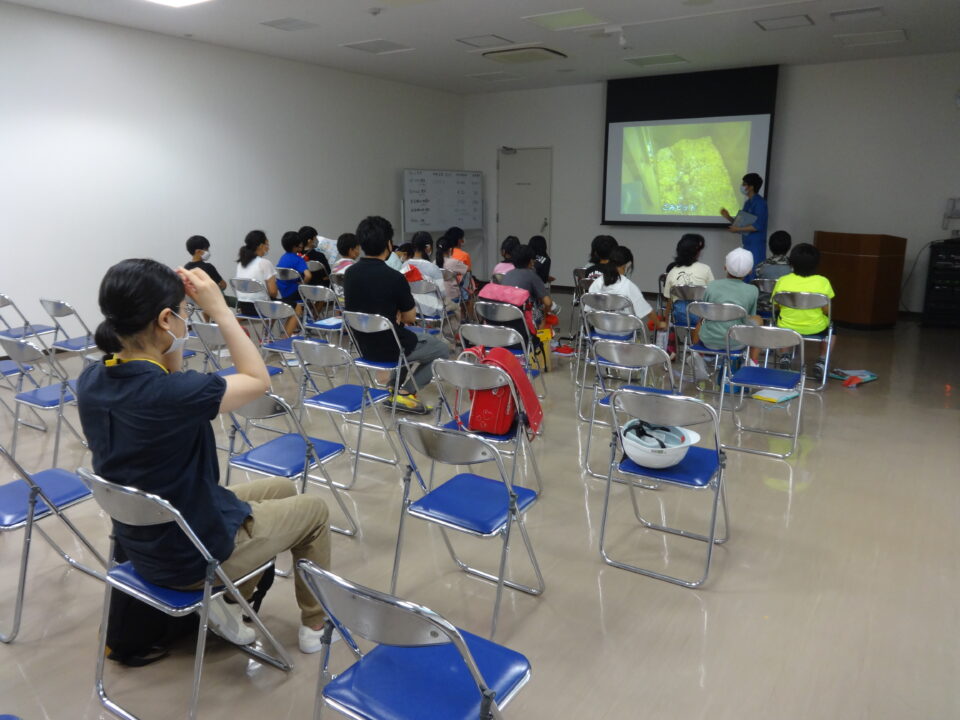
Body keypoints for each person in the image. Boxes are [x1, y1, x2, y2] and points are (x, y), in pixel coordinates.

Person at [76, 260, 332, 655]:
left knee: (282, 488)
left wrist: (170, 340)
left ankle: (230, 601)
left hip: (147, 543)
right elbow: (258, 380)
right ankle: (316, 623)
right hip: (192, 557)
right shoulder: (175, 395)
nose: (187, 321)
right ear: (165, 319)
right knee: (314, 511)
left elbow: (167, 374)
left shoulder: (92, 380)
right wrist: (221, 311)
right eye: (184, 313)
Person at [344, 216, 449, 413]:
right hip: (392, 347)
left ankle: (393, 388)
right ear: (388, 244)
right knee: (442, 350)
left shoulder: (350, 274)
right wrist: (397, 313)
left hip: (364, 347)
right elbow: (410, 318)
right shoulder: (394, 277)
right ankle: (406, 392)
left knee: (404, 339)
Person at [772, 243, 836, 378]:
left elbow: (777, 306)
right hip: (815, 327)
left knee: (781, 318)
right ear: (817, 263)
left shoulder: (783, 281)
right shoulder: (823, 282)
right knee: (832, 328)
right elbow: (827, 311)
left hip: (787, 327)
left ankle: (785, 356)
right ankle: (822, 360)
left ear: (791, 263)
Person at [692, 247, 761, 366]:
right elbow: (749, 317)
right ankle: (752, 362)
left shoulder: (711, 286)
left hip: (708, 341)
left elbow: (705, 312)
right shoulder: (753, 290)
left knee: (702, 319)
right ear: (750, 271)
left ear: (725, 267)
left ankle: (697, 354)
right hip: (736, 342)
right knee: (758, 320)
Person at [588, 245, 653, 323]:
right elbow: (647, 312)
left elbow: (588, 309)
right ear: (628, 264)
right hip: (624, 328)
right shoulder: (628, 286)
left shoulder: (596, 283)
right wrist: (660, 324)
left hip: (600, 327)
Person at [721, 172, 768, 276]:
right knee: (745, 273)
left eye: (744, 184)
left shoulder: (760, 203)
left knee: (753, 274)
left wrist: (737, 230)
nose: (742, 186)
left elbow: (757, 226)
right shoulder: (748, 203)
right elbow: (741, 224)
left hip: (756, 245)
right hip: (747, 244)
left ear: (751, 187)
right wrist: (728, 217)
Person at [663, 233, 714, 325]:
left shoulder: (672, 272)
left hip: (679, 318)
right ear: (697, 252)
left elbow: (669, 301)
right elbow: (712, 295)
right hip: (702, 319)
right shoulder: (705, 269)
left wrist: (666, 322)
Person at [501, 244, 553, 327]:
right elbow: (548, 303)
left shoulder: (508, 274)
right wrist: (545, 311)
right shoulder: (532, 275)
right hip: (523, 318)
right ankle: (539, 334)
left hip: (506, 315)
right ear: (530, 261)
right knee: (542, 313)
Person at [276, 230, 312, 335]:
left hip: (283, 292)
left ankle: (295, 326)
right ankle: (307, 323)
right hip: (293, 292)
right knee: (311, 295)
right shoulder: (298, 259)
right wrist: (302, 284)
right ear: (296, 246)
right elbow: (308, 275)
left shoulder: (283, 257)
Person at [234, 230, 278, 317]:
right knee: (296, 307)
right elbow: (273, 292)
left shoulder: (240, 264)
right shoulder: (264, 263)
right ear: (261, 246)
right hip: (262, 307)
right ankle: (268, 326)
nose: (268, 248)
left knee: (275, 307)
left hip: (243, 306)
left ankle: (267, 327)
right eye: (267, 244)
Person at [754, 230, 793, 315]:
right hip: (785, 308)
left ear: (770, 246)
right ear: (789, 246)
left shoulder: (760, 267)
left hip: (763, 308)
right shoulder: (793, 268)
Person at [436, 235, 469, 302]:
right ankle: (466, 298)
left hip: (438, 297)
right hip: (453, 297)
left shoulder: (434, 263)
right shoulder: (454, 262)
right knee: (465, 276)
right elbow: (468, 269)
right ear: (450, 249)